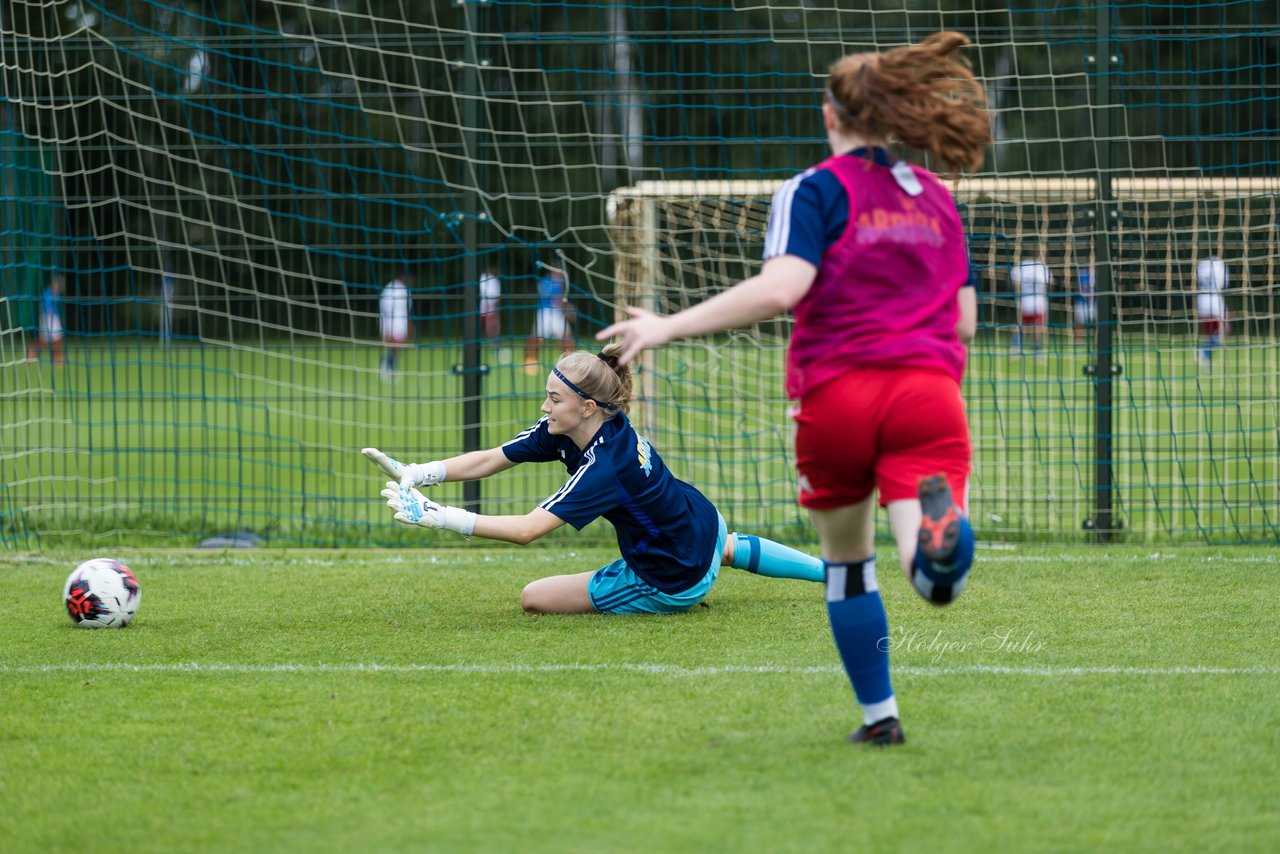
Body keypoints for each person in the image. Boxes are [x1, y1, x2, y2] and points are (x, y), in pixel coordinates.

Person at [597, 32, 989, 746]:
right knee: (930, 577)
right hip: (927, 393)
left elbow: (783, 289)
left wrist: (666, 326)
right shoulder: (936, 196)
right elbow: (962, 322)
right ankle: (939, 544)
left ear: (831, 115)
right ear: (896, 115)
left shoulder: (813, 190)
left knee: (847, 567)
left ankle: (880, 719)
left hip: (835, 397)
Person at [362, 344, 826, 615]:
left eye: (553, 398)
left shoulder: (606, 465)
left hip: (671, 576)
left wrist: (439, 516)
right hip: (703, 524)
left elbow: (527, 531)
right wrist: (418, 473)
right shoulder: (574, 429)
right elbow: (492, 458)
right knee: (725, 548)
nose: (545, 407)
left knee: (533, 598)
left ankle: (687, 591)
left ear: (586, 407)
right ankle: (833, 572)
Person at [523, 264, 574, 374]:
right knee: (541, 338)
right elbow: (557, 300)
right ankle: (570, 362)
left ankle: (530, 361)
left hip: (546, 312)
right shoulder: (555, 282)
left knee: (541, 337)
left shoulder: (544, 281)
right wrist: (568, 309)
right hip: (549, 312)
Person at [1010, 253, 1051, 355]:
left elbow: (1015, 282)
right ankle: (1037, 351)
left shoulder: (1021, 266)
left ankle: (1015, 348)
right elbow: (1049, 284)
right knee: (1038, 326)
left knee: (1020, 325)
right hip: (1038, 302)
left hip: (1024, 301)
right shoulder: (1042, 268)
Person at [1194, 253, 1228, 369]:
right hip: (1215, 299)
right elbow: (1225, 284)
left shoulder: (1202, 264)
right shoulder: (1220, 264)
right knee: (1223, 331)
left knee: (1211, 332)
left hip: (1202, 299)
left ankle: (1205, 355)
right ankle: (1204, 350)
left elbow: (1198, 282)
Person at [378, 270, 412, 381]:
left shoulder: (405, 290)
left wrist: (409, 323)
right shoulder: (391, 288)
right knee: (394, 345)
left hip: (401, 323)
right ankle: (387, 366)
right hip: (391, 322)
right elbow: (385, 307)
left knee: (398, 347)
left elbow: (408, 309)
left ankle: (389, 365)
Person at [27, 273, 65, 364]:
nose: (62, 286)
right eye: (60, 284)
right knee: (46, 339)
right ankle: (32, 352)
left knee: (54, 338)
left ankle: (56, 357)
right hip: (48, 318)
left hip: (53, 317)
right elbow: (46, 306)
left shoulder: (56, 294)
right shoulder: (48, 293)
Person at [1072, 261, 1095, 343]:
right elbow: (1077, 288)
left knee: (1097, 322)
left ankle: (1097, 340)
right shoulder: (1081, 274)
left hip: (1092, 303)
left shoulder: (1095, 275)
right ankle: (1078, 340)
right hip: (1081, 302)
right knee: (1079, 323)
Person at [479, 263, 501, 340]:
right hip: (488, 307)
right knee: (492, 328)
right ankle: (495, 346)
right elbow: (495, 297)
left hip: (481, 307)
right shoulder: (493, 279)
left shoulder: (481, 277)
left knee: (483, 328)